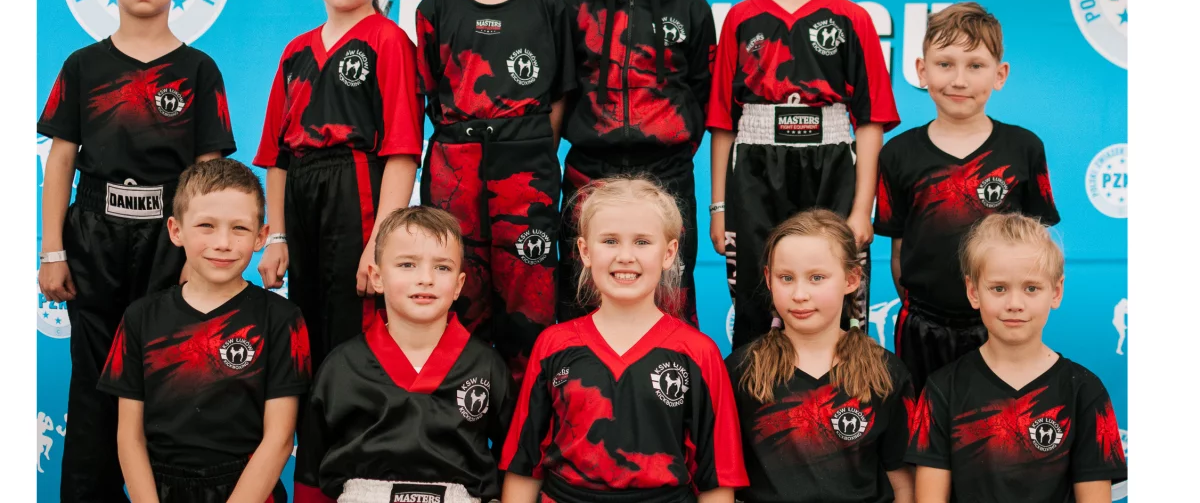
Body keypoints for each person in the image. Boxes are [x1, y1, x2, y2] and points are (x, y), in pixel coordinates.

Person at [37, 0, 237, 502]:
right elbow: (61, 162)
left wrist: (199, 253)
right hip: (94, 236)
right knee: (94, 387)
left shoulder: (199, 70)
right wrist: (52, 251)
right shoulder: (82, 66)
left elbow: (208, 174)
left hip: (168, 242)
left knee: (171, 380)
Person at [708, 0, 899, 349]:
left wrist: (862, 210)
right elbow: (723, 122)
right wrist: (719, 207)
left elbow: (871, 122)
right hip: (754, 172)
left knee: (835, 293)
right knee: (757, 297)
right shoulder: (740, 20)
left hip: (831, 166)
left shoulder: (853, 20)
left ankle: (842, 393)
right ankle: (755, 391)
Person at [415, 0, 573, 382]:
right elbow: (426, 94)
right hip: (453, 171)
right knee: (455, 291)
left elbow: (558, 98)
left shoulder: (549, 7)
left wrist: (528, 152)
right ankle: (457, 418)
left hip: (526, 171)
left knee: (530, 299)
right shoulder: (435, 8)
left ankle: (526, 423)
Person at [500, 176, 748, 503]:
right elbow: (524, 465)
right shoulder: (553, 346)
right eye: (610, 241)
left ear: (669, 253)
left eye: (642, 242)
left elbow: (716, 479)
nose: (626, 256)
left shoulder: (698, 353)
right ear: (585, 251)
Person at [254, 0, 423, 372]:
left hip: (357, 193)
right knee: (305, 339)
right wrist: (277, 236)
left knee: (355, 336)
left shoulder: (389, 42)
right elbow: (277, 158)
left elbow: (402, 153)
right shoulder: (295, 51)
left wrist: (380, 243)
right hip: (301, 198)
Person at [557, 0, 716, 326]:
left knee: (669, 296)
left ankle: (670, 376)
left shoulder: (691, 6)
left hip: (667, 175)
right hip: (589, 173)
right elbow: (559, 93)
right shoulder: (570, 4)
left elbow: (701, 91)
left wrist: (669, 143)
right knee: (582, 293)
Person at [98, 158, 311, 503]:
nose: (223, 242)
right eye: (206, 226)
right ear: (176, 231)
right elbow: (129, 437)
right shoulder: (140, 318)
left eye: (239, 228)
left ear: (261, 236)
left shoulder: (282, 319)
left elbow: (279, 439)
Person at [873, 2, 1060, 392]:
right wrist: (920, 312)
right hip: (923, 330)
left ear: (1000, 74)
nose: (959, 80)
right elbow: (899, 250)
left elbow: (1036, 248)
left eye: (975, 65)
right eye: (945, 64)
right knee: (923, 421)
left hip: (998, 327)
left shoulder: (1024, 148)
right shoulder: (898, 153)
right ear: (922, 70)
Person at [294, 206, 513, 503]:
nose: (426, 278)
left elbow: (514, 461)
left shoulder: (486, 365)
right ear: (377, 277)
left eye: (442, 267)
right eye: (407, 264)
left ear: (459, 285)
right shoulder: (341, 366)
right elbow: (310, 470)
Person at [907, 213, 1126, 503]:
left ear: (1056, 292)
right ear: (973, 292)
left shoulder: (1084, 392)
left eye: (1031, 288)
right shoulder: (942, 389)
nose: (1014, 304)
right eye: (999, 288)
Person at [727, 209, 915, 503]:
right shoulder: (742, 371)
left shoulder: (886, 373)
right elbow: (722, 478)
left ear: (851, 279)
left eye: (816, 278)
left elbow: (902, 482)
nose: (800, 294)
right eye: (786, 278)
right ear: (768, 279)